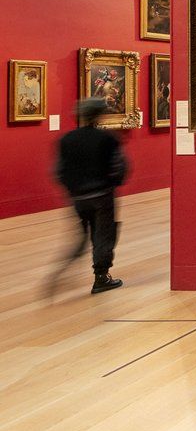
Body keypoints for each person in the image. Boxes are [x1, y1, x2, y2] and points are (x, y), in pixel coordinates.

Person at [50, 98, 128, 295]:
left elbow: (59, 170)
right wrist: (112, 183)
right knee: (103, 235)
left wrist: (72, 189)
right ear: (99, 114)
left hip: (77, 197)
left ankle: (64, 268)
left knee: (82, 237)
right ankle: (101, 277)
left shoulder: (66, 139)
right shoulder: (108, 138)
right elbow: (119, 166)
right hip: (101, 194)